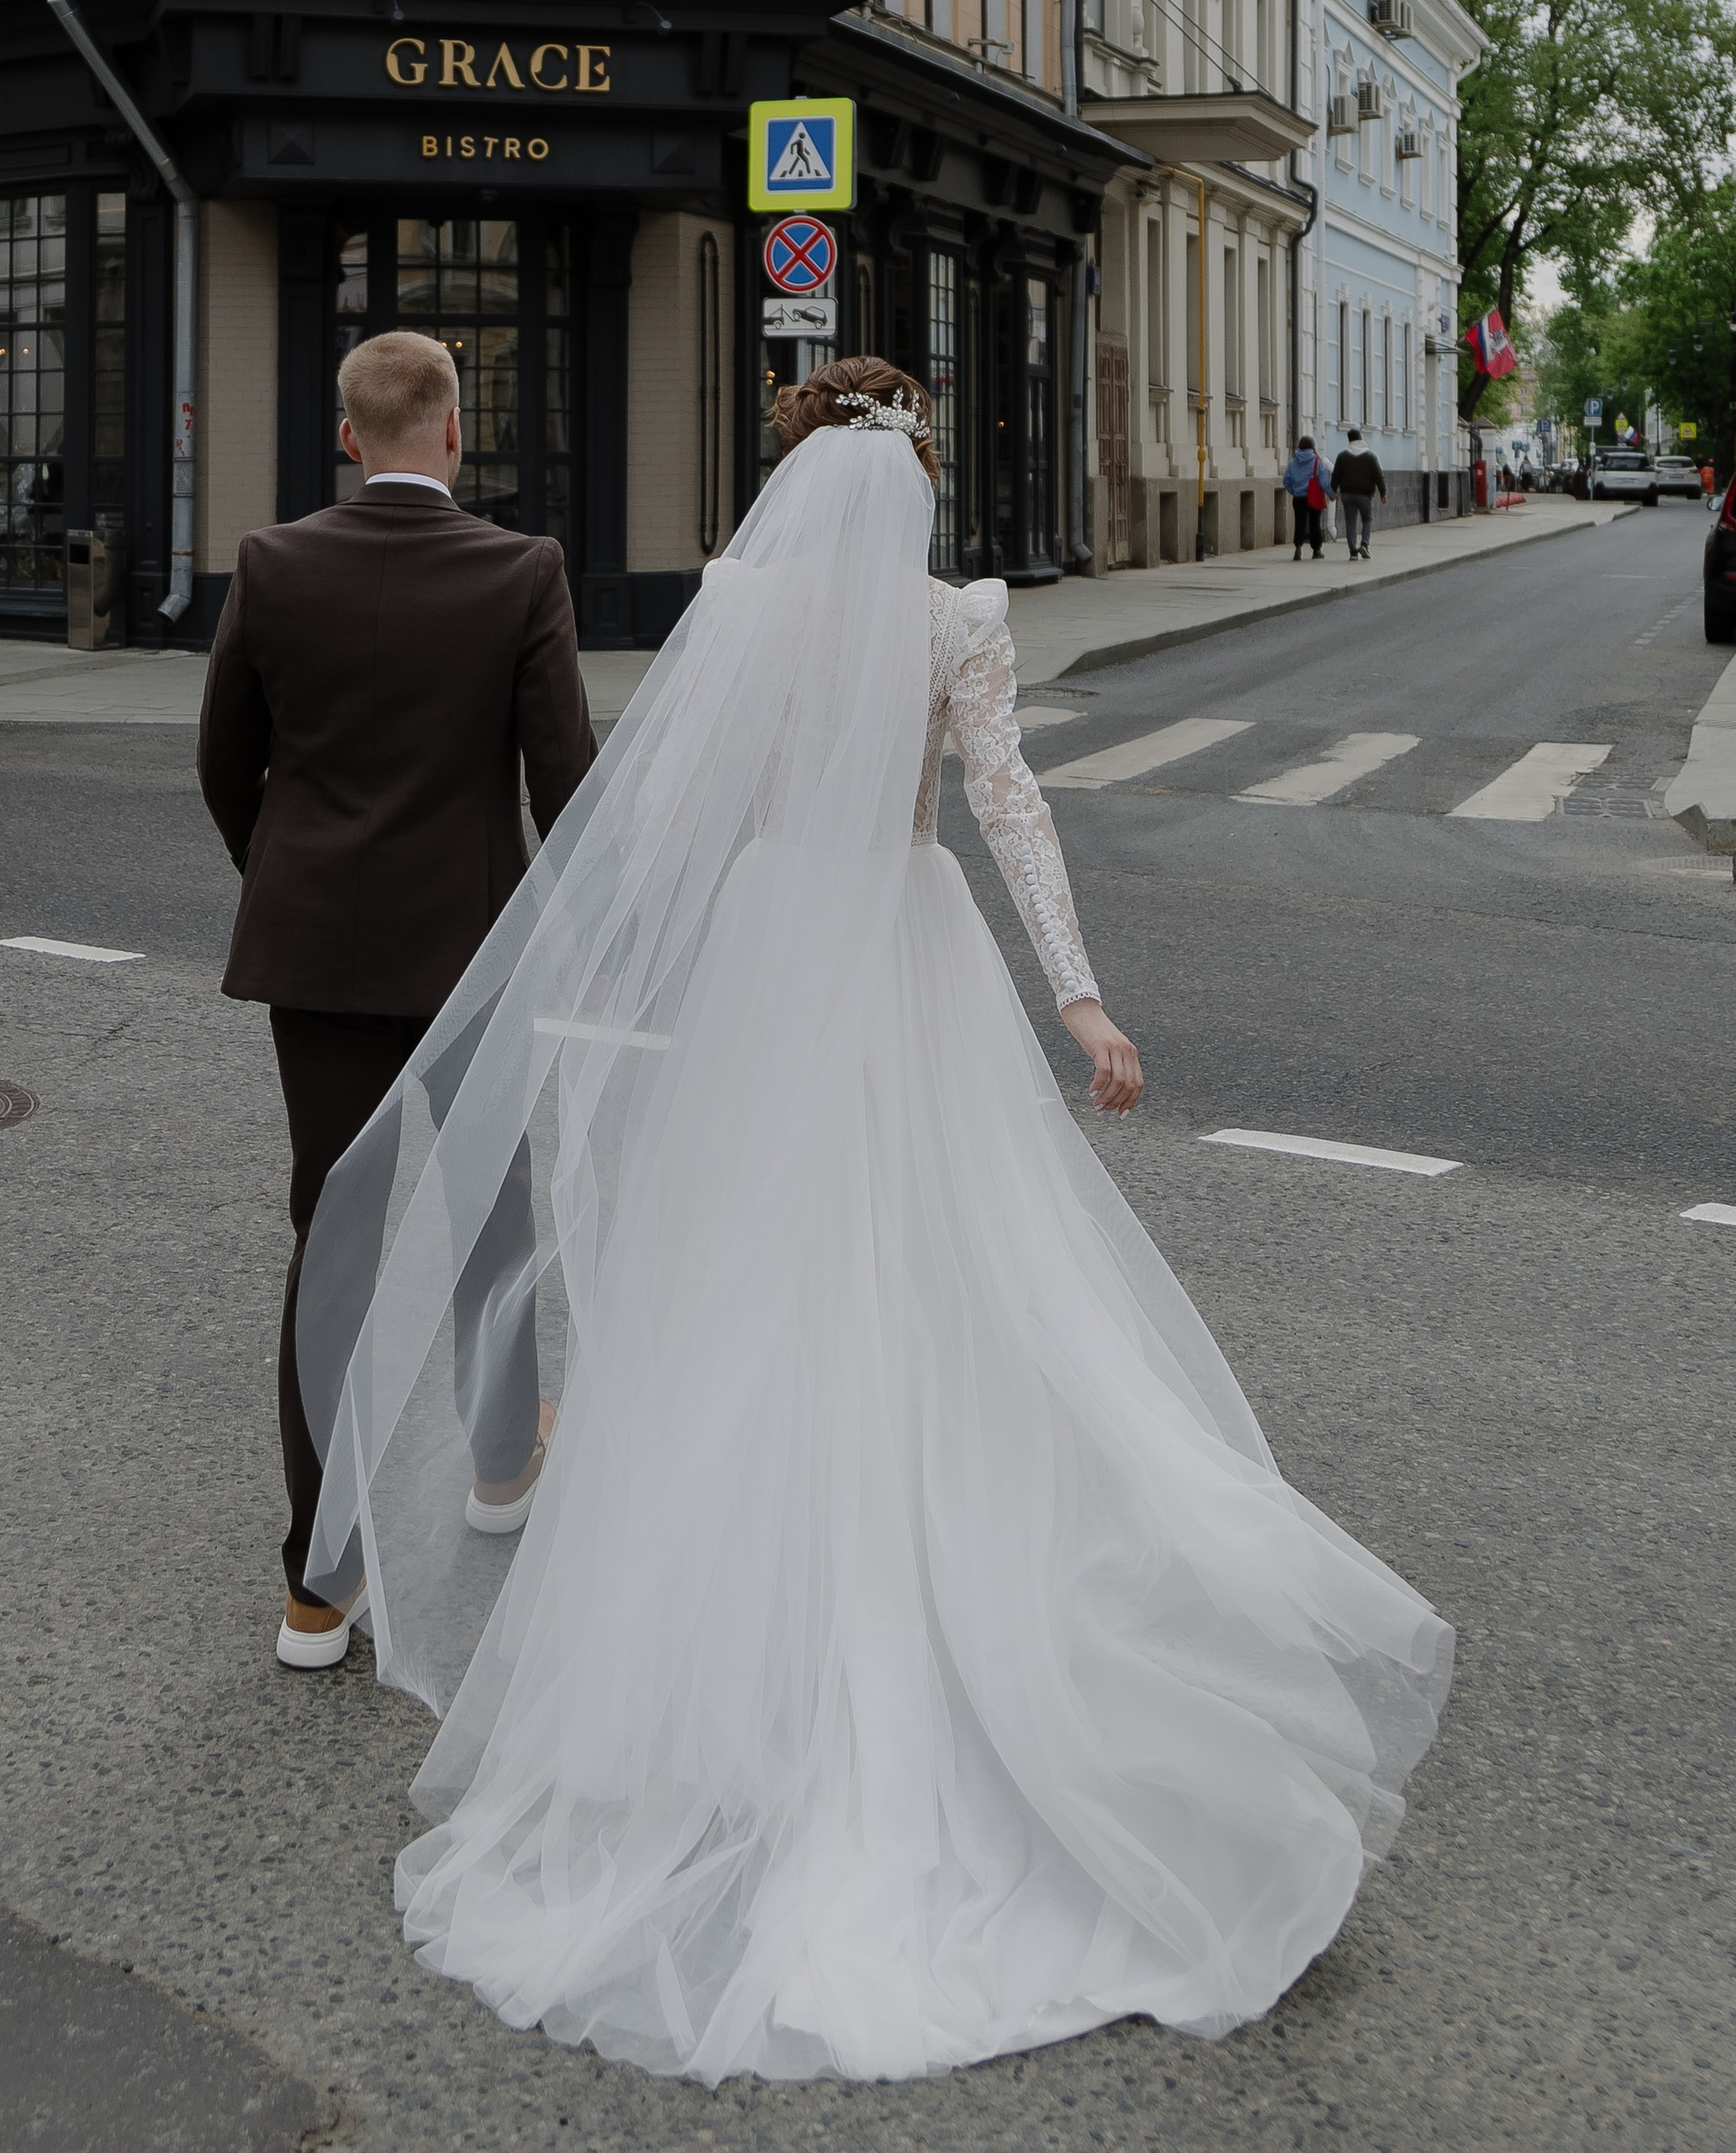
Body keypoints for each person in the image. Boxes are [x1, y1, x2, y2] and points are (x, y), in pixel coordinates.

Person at [293, 356, 1451, 2082]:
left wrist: (628, 978)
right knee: (940, 1271)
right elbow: (1007, 804)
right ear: (908, 474)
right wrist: (1077, 997)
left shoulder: (742, 603)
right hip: (902, 944)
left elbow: (662, 810)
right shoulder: (951, 621)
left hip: (771, 952)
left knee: (743, 1283)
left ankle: (715, 1676)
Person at [197, 328, 595, 1672]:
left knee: (335, 1235)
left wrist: (288, 878)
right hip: (470, 952)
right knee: (491, 1206)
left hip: (316, 953)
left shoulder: (272, 563)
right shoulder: (521, 571)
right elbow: (564, 781)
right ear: (457, 432)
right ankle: (500, 1465)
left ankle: (318, 1587)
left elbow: (225, 763)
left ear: (349, 437)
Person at [1331, 428, 1388, 559]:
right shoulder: (1370, 456)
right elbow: (1379, 476)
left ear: (1349, 440)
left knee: (1350, 522)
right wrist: (1383, 493)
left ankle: (1353, 552)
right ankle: (1364, 545)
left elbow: (1336, 476)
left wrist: (1332, 491)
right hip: (1365, 495)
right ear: (1361, 438)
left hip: (1347, 495)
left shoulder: (1342, 456)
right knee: (1367, 519)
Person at [1282, 431, 1334, 559]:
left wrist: (1294, 491)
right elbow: (1324, 482)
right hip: (1313, 497)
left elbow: (1286, 480)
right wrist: (1331, 494)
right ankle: (1316, 550)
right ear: (1312, 447)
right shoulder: (1317, 462)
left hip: (1298, 498)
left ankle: (1298, 548)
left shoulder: (1293, 462)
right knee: (1315, 523)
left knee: (1299, 522)